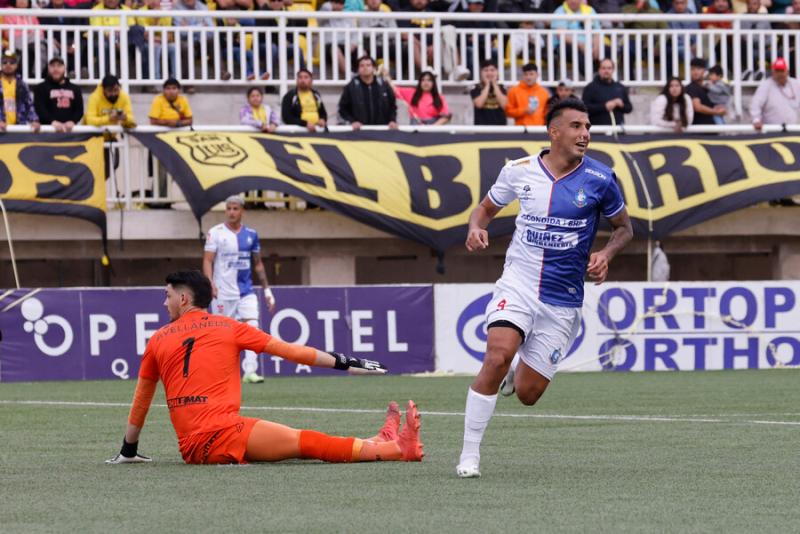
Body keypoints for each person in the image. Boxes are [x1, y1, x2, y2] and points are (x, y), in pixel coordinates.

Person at [455, 98, 633, 478]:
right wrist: (475, 227)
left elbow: (624, 228)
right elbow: (484, 210)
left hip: (562, 299)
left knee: (528, 394)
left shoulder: (601, 178)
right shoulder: (517, 171)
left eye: (588, 127)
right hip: (518, 284)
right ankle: (469, 455)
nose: (585, 134)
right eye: (576, 126)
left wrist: (606, 254)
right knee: (496, 356)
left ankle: (515, 373)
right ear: (554, 132)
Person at [106, 270, 424, 465]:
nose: (165, 303)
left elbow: (141, 400)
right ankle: (397, 451)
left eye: (167, 296)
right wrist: (348, 363)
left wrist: (128, 450)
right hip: (220, 437)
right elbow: (292, 352)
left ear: (184, 299)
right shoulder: (230, 327)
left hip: (197, 445)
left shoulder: (157, 339)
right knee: (307, 442)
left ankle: (380, 441)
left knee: (303, 442)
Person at [202, 196, 276, 384]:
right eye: (228, 208)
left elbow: (258, 264)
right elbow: (208, 260)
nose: (231, 212)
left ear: (242, 211)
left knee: (252, 328)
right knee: (222, 334)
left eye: (235, 208)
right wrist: (210, 283)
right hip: (222, 293)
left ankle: (250, 371)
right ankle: (220, 372)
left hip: (246, 292)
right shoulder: (215, 233)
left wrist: (267, 291)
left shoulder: (251, 234)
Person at [338, 55, 398, 130]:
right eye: (362, 66)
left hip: (382, 130)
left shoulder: (384, 86)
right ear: (358, 69)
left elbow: (392, 106)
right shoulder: (351, 87)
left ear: (374, 68)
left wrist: (392, 120)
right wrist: (352, 121)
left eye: (368, 65)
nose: (365, 68)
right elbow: (343, 108)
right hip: (359, 131)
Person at [33, 57, 84, 132]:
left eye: (59, 66)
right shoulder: (40, 88)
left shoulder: (75, 89)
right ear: (48, 69)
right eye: (53, 66)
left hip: (70, 133)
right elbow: (39, 109)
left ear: (64, 68)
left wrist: (73, 121)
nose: (56, 69)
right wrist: (52, 122)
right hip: (47, 132)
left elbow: (79, 110)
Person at [384, 70, 451, 125]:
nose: (426, 82)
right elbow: (394, 89)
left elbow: (446, 116)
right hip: (415, 128)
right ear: (420, 82)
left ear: (433, 83)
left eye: (429, 80)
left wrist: (432, 128)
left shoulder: (440, 97)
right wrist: (387, 77)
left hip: (433, 129)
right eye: (423, 80)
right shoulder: (412, 93)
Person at [750, 57, 800, 129]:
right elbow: (755, 104)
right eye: (777, 71)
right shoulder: (765, 85)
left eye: (782, 71)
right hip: (772, 130)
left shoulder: (796, 84)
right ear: (773, 72)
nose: (780, 74)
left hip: (793, 129)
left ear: (787, 71)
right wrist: (756, 120)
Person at [581, 58, 633, 126]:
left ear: (613, 70)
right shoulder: (590, 88)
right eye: (603, 68)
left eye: (609, 68)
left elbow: (629, 108)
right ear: (599, 70)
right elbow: (584, 109)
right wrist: (604, 106)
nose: (606, 71)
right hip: (598, 130)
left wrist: (621, 105)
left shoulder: (620, 87)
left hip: (618, 130)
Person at [0, 50, 40, 133]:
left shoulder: (22, 85)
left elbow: (29, 104)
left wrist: (34, 120)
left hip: (19, 129)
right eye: (5, 62)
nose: (8, 65)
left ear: (16, 65)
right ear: (1, 65)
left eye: (12, 62)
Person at [685, 58, 725, 125]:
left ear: (705, 71)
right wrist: (716, 112)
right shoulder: (691, 87)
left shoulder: (707, 88)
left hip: (711, 128)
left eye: (698, 69)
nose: (695, 72)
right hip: (699, 129)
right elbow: (697, 107)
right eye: (692, 69)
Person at [471, 60, 508, 125]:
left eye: (492, 70)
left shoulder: (503, 87)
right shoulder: (475, 87)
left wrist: (494, 84)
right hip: (481, 128)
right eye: (486, 70)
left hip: (500, 127)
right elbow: (479, 104)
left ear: (497, 72)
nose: (489, 73)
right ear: (481, 73)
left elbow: (504, 105)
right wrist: (487, 85)